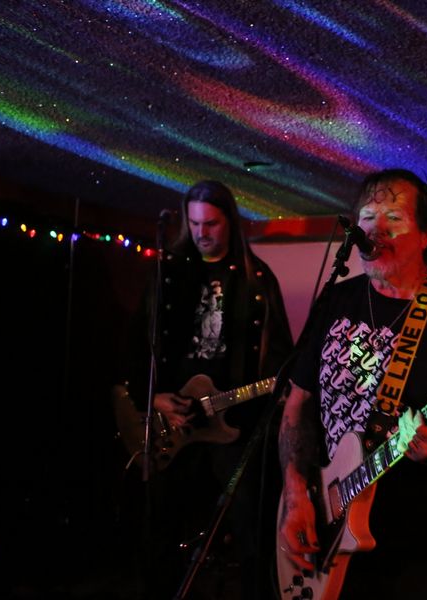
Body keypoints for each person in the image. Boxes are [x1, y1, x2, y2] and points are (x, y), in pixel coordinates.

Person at [277, 169, 427, 600]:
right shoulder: (336, 300)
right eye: (367, 217)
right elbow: (296, 404)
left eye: (394, 218)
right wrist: (295, 494)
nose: (376, 230)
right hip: (334, 532)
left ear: (425, 236)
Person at [115, 180, 293, 599]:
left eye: (211, 223)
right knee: (160, 525)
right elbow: (135, 345)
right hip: (173, 421)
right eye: (194, 223)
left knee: (250, 525)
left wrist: (279, 391)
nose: (201, 233)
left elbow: (282, 356)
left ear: (230, 221)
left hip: (232, 423)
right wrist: (153, 397)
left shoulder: (256, 279)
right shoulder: (168, 273)